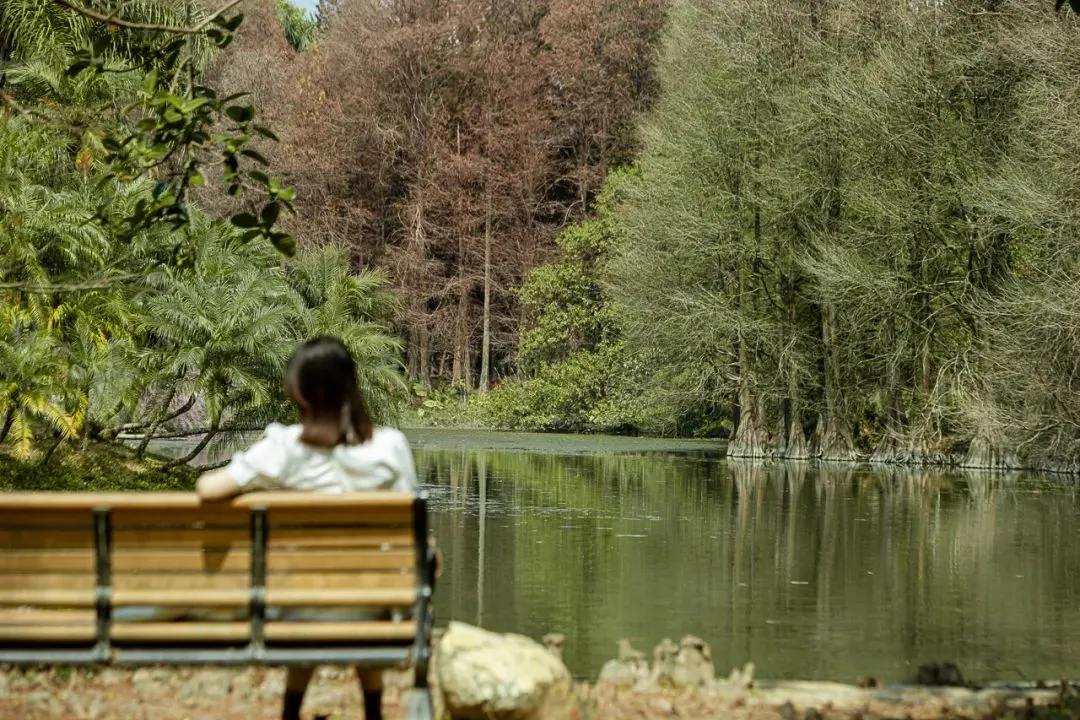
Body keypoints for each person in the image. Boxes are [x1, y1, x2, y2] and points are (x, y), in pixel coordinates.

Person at [196, 336, 430, 720]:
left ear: (304, 393)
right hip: (372, 607)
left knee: (310, 592)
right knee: (361, 588)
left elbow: (209, 489)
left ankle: (291, 712)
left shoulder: (284, 448)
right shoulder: (391, 447)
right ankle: (373, 711)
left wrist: (260, 481)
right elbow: (412, 528)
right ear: (350, 388)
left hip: (296, 607)